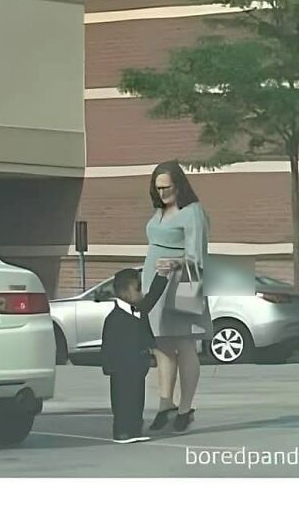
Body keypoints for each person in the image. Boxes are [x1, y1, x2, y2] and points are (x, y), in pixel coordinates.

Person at [142, 160, 213, 433]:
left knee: (185, 344)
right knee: (160, 343)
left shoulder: (192, 212)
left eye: (167, 187)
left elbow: (198, 255)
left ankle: (185, 408)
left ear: (179, 185)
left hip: (185, 280)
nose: (162, 193)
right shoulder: (158, 211)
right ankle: (165, 404)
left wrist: (176, 262)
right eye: (158, 188)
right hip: (156, 281)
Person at [101, 263, 176, 443]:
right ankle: (122, 431)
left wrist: (162, 275)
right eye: (138, 289)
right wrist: (108, 366)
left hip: (138, 364)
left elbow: (152, 297)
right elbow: (107, 344)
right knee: (122, 399)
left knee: (137, 398)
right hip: (121, 367)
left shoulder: (138, 309)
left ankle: (134, 429)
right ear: (125, 291)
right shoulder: (114, 318)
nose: (141, 293)